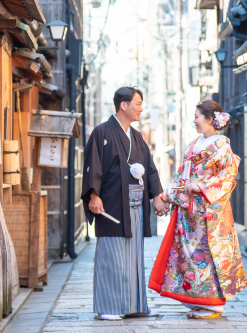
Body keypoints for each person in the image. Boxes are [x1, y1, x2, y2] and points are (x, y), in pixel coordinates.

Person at [148, 99, 247, 319]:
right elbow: (182, 174)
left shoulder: (222, 145)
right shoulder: (194, 144)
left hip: (209, 213)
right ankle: (198, 299)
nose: (194, 121)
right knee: (190, 256)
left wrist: (201, 186)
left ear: (210, 119)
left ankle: (214, 303)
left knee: (208, 256)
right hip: (189, 212)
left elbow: (228, 176)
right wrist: (166, 197)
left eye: (196, 117)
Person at [82, 87, 169, 320]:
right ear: (123, 105)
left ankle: (133, 304)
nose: (141, 108)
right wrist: (93, 195)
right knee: (113, 255)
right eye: (138, 103)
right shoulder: (102, 132)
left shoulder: (137, 137)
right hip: (111, 204)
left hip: (135, 205)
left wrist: (157, 196)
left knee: (133, 256)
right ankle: (109, 307)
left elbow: (149, 168)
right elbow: (93, 166)